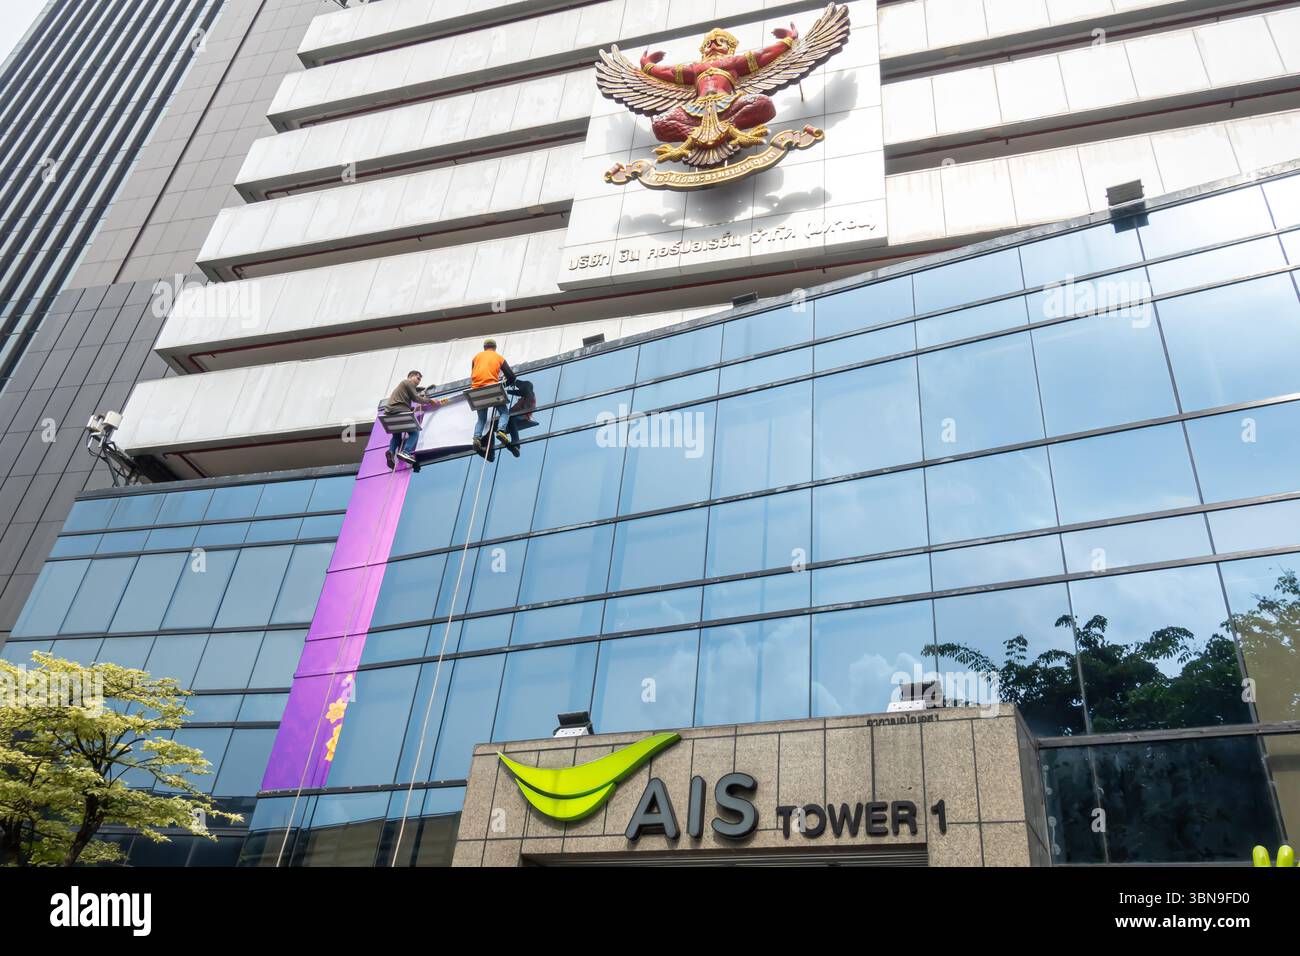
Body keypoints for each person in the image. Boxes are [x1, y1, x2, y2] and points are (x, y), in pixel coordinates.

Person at [384, 370, 448, 472]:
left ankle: (391, 452)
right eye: (418, 378)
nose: (418, 381)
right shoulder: (407, 382)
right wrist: (430, 401)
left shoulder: (402, 386)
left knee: (396, 436)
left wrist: (415, 408)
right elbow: (416, 398)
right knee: (414, 433)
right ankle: (405, 452)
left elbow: (408, 400)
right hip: (399, 410)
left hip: (390, 414)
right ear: (411, 376)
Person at [470, 339, 517, 456]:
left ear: (484, 347)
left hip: (476, 390)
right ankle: (501, 431)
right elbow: (511, 376)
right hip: (491, 387)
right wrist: (504, 384)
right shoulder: (498, 357)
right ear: (495, 348)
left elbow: (474, 373)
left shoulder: (476, 357)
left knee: (481, 419)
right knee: (504, 413)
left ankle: (476, 437)